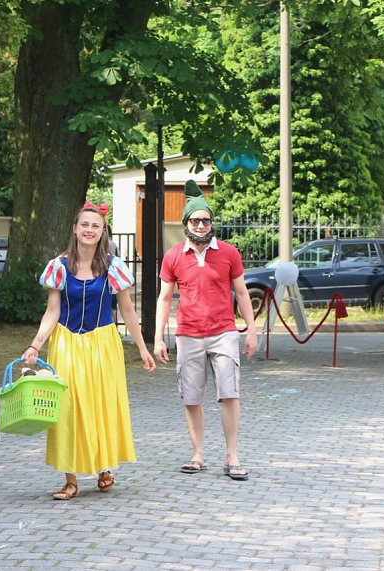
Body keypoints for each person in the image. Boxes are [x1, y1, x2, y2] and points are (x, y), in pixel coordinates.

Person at [21, 201, 156, 500]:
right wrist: (35, 345)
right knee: (67, 407)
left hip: (102, 342)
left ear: (102, 230)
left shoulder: (113, 267)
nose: (89, 230)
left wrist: (143, 349)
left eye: (95, 225)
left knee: (102, 404)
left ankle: (104, 466)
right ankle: (70, 479)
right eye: (85, 224)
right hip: (67, 342)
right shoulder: (59, 266)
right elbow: (52, 311)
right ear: (75, 228)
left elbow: (128, 311)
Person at [153, 180, 258, 481]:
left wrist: (250, 331)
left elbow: (241, 293)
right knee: (191, 397)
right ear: (186, 223)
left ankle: (232, 455)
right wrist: (159, 337)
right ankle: (198, 453)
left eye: (206, 220)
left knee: (230, 393)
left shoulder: (228, 253)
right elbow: (163, 298)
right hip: (187, 334)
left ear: (212, 223)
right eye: (195, 220)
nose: (201, 225)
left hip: (224, 332)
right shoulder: (173, 256)